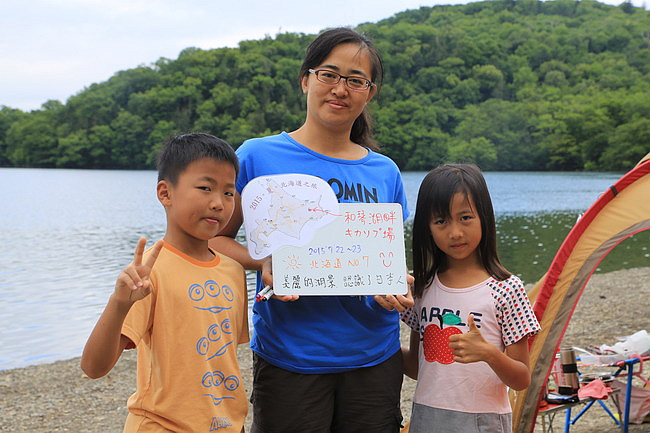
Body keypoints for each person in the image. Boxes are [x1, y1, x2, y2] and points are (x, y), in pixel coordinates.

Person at [209, 27, 413, 433]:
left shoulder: (384, 171)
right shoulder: (256, 156)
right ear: (306, 79)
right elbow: (213, 240)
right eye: (329, 74)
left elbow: (385, 256)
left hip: (375, 356)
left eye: (356, 80)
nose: (341, 89)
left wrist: (396, 284)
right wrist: (261, 259)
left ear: (369, 93)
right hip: (289, 358)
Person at [80, 133, 249, 433]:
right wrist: (119, 303)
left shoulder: (233, 271)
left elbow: (222, 357)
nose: (219, 203)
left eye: (228, 192)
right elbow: (94, 367)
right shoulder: (149, 272)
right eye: (205, 188)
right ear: (165, 193)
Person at [400, 164, 541, 433]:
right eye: (441, 221)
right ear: (427, 228)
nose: (455, 232)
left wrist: (489, 354)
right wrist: (372, 343)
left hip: (482, 421)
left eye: (465, 217)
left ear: (484, 217)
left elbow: (522, 378)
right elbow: (418, 367)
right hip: (426, 417)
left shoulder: (506, 289)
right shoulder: (423, 287)